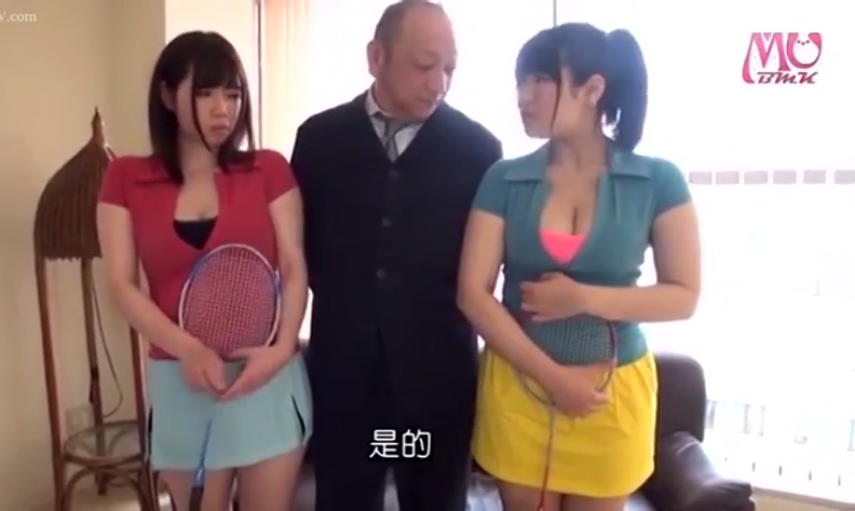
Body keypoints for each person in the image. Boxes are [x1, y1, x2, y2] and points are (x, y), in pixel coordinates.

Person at [457, 23, 701, 511]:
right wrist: (553, 377)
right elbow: (472, 294)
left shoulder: (658, 181)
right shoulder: (504, 180)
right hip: (519, 389)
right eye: (520, 81)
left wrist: (584, 298)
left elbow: (683, 295)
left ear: (592, 89)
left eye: (540, 80)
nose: (523, 96)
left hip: (611, 394)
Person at [290, 1, 502, 510]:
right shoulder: (319, 140)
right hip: (345, 377)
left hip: (437, 382)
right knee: (343, 499)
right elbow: (301, 250)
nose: (439, 83)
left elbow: (484, 269)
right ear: (376, 57)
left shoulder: (478, 151)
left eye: (450, 68)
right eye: (425, 66)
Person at [96, 31, 311, 511]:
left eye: (233, 95)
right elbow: (121, 285)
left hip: (265, 376)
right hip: (180, 380)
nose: (223, 109)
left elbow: (294, 264)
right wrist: (189, 349)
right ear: (167, 95)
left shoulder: (268, 169)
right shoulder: (125, 177)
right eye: (206, 93)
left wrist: (281, 350)